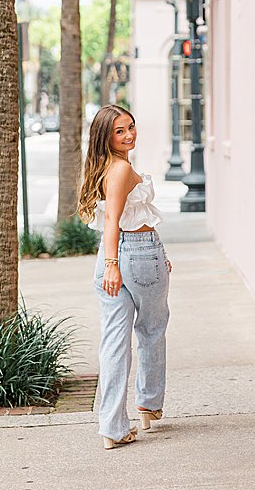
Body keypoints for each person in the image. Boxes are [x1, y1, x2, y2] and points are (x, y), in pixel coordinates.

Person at [76, 104, 171, 449]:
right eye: (120, 131)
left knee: (114, 340)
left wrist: (113, 262)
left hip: (114, 255)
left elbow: (116, 221)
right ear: (106, 136)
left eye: (130, 127)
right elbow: (115, 220)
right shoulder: (119, 170)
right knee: (151, 328)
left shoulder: (105, 167)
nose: (129, 135)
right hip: (133, 253)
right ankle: (148, 402)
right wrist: (118, 263)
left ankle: (113, 427)